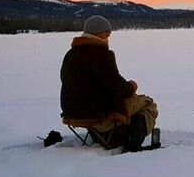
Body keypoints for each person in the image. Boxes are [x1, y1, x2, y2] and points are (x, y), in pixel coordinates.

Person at [60, 15, 158, 151]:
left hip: (74, 112)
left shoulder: (70, 54)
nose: (108, 36)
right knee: (148, 103)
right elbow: (116, 87)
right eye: (107, 32)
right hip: (98, 114)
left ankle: (106, 136)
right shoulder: (100, 54)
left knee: (132, 102)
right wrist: (132, 86)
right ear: (97, 32)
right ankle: (132, 142)